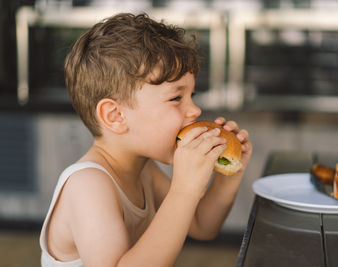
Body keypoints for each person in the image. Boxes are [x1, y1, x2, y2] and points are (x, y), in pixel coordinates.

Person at [39, 13, 252, 267]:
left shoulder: (145, 171)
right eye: (176, 98)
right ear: (116, 116)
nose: (195, 110)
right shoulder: (87, 185)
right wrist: (184, 190)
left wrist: (230, 172)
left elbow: (202, 226)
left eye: (191, 95)